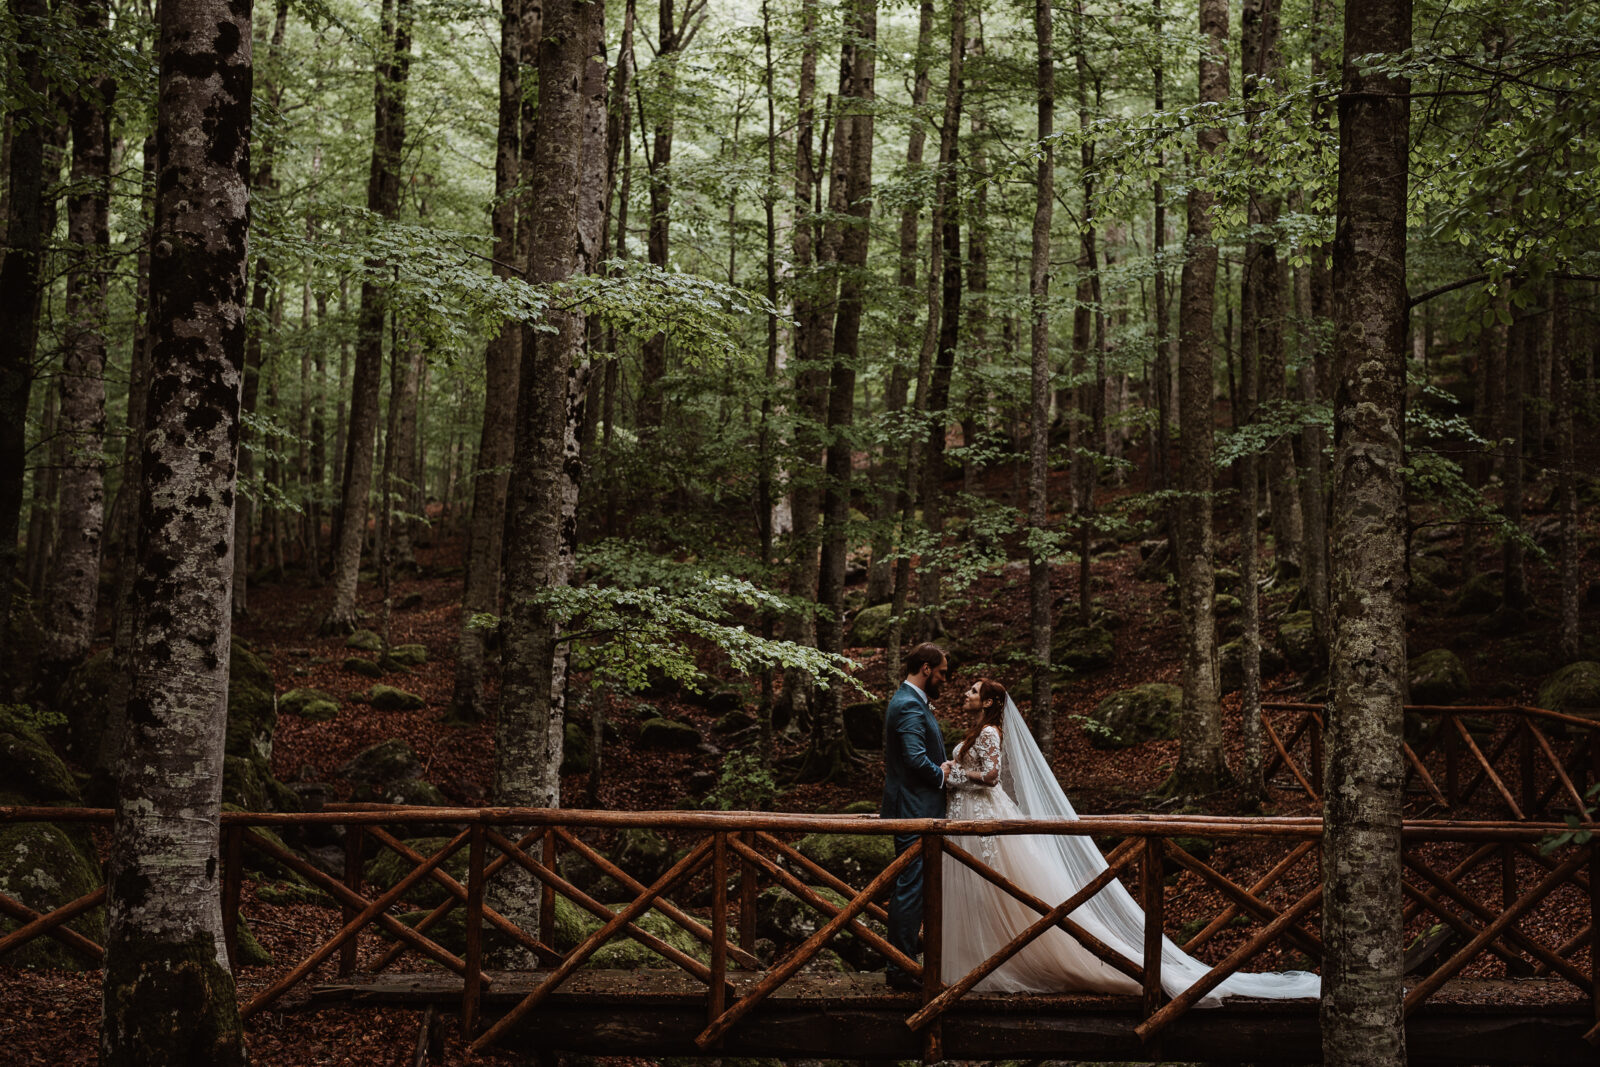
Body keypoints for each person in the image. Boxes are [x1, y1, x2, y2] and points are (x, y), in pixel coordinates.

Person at [940, 677, 1320, 1002]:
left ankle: (1040, 963)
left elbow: (991, 776)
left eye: (973, 690)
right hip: (971, 815)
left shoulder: (989, 733)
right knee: (987, 890)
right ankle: (983, 961)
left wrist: (953, 774)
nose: (965, 694)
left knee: (1006, 890)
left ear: (988, 702)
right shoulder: (977, 732)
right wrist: (954, 769)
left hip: (984, 815)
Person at [879, 642, 950, 991]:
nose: (944, 679)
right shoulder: (908, 703)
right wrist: (942, 774)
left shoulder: (911, 701)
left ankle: (904, 964)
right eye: (941, 673)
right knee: (910, 889)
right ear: (925, 668)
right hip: (913, 809)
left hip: (916, 807)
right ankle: (900, 968)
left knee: (914, 888)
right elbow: (914, 758)